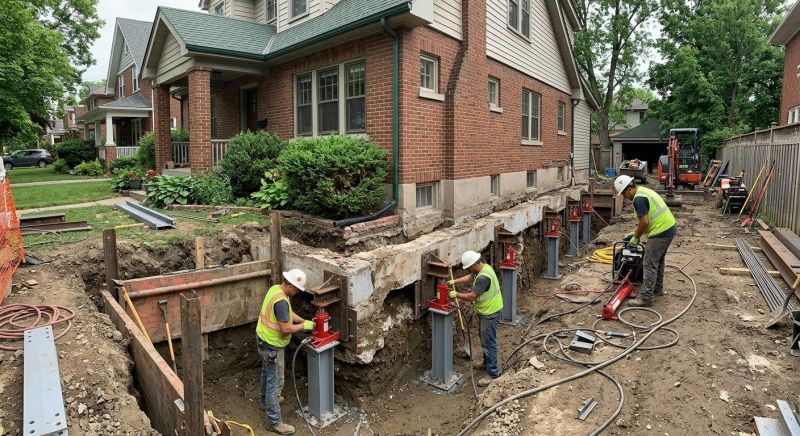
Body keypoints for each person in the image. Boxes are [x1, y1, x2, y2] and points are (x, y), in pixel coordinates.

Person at [256, 269, 315, 435]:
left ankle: (263, 402)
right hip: (271, 346)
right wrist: (304, 326)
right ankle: (273, 422)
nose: (297, 292)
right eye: (296, 289)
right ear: (289, 285)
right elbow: (285, 329)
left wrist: (303, 320)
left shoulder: (275, 290)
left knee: (266, 374)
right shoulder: (281, 301)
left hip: (263, 339)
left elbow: (287, 315)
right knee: (275, 382)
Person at [614, 175, 677, 307]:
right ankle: (657, 289)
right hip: (669, 227)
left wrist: (636, 238)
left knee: (649, 264)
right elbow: (648, 220)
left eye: (624, 194)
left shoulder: (638, 199)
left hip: (660, 232)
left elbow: (644, 222)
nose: (625, 197)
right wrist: (633, 233)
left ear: (629, 189)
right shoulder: (644, 191)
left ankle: (646, 298)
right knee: (658, 261)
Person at [447, 250, 504, 387]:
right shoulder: (484, 268)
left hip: (490, 313)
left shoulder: (484, 278)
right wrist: (454, 281)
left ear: (474, 264)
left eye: (469, 267)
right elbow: (470, 277)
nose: (469, 270)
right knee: (485, 340)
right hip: (489, 311)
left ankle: (493, 374)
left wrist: (456, 294)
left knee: (489, 343)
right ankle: (486, 363)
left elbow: (472, 296)